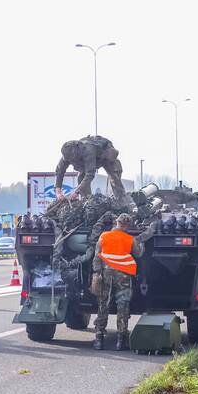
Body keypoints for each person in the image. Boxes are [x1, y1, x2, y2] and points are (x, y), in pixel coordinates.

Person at [91, 213, 153, 351]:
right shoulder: (130, 239)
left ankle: (99, 340)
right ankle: (120, 341)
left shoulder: (103, 236)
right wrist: (141, 242)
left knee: (103, 305)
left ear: (116, 223)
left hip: (105, 275)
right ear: (128, 226)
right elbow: (138, 254)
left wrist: (97, 273)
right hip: (123, 276)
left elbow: (96, 257)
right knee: (122, 307)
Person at [54, 135, 127, 203]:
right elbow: (59, 172)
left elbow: (90, 174)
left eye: (73, 159)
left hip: (104, 155)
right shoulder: (66, 155)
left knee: (115, 177)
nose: (71, 161)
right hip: (86, 162)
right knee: (81, 178)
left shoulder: (88, 150)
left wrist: (76, 192)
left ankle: (122, 202)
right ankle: (87, 202)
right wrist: (58, 191)